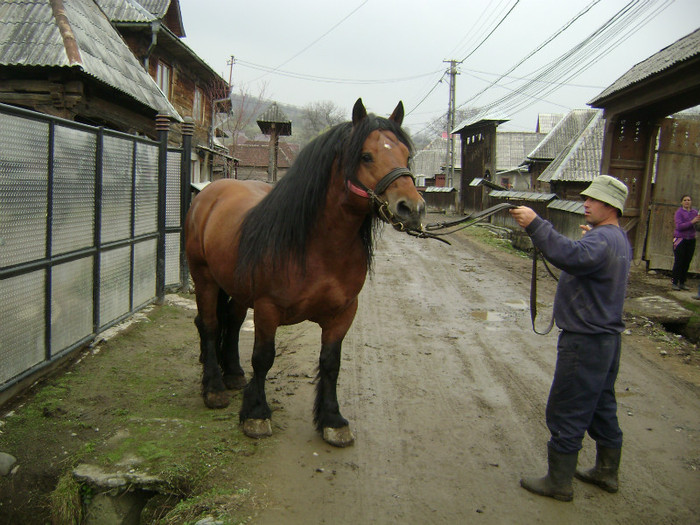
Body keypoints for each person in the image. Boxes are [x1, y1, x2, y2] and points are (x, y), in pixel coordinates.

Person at [509, 175, 632, 502]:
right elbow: (581, 254)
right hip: (606, 340)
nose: (586, 203)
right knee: (601, 404)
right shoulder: (615, 238)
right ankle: (606, 472)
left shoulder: (601, 241)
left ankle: (559, 482)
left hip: (585, 340)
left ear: (611, 206)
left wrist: (536, 224)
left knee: (567, 406)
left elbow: (568, 255)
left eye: (593, 200)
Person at [671, 195, 699, 290]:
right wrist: (692, 222)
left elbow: (697, 226)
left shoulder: (694, 212)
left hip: (691, 239)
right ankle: (674, 282)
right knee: (679, 261)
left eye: (689, 200)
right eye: (685, 200)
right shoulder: (679, 212)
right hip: (680, 239)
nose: (687, 202)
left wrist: (697, 222)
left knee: (687, 262)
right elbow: (679, 227)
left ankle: (682, 282)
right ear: (681, 202)